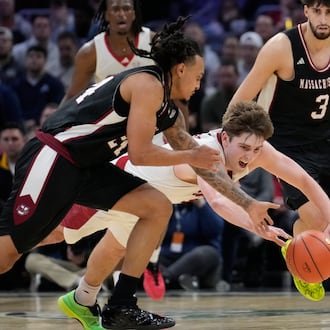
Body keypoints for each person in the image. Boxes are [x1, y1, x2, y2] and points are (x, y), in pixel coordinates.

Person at [0, 17, 276, 330]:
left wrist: (248, 203)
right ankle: (94, 299)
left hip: (86, 167)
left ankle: (121, 306)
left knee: (156, 206)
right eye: (198, 76)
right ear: (180, 69)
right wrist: (190, 155)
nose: (200, 84)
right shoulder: (149, 84)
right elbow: (141, 152)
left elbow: (201, 163)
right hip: (55, 155)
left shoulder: (168, 108)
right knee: (9, 253)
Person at [57, 100, 330, 329]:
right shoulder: (209, 153)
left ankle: (82, 299)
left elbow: (304, 180)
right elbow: (219, 202)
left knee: (116, 246)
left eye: (257, 148)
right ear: (225, 136)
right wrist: (256, 225)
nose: (251, 156)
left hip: (147, 200)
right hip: (118, 182)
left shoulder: (259, 151)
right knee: (47, 232)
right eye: (244, 148)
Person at [228, 0, 330, 301]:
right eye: (318, 11)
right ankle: (304, 255)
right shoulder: (280, 48)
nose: (324, 19)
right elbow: (238, 103)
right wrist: (229, 145)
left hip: (326, 138)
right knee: (319, 220)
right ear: (307, 11)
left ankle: (304, 249)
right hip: (289, 148)